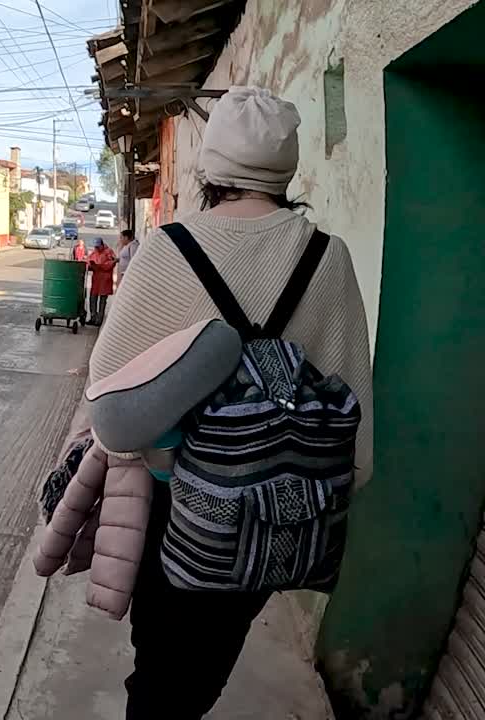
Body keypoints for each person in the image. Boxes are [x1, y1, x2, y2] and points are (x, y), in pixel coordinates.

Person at [86, 86, 373, 719]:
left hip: (180, 513)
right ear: (286, 168)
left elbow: (111, 412)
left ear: (209, 168)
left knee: (159, 672)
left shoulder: (169, 249)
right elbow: (356, 430)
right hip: (278, 519)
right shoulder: (330, 259)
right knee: (201, 671)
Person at [86, 237, 117, 326]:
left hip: (105, 279)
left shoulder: (109, 252)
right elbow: (88, 260)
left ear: (102, 245)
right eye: (96, 247)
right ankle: (93, 317)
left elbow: (113, 262)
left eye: (98, 247)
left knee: (102, 300)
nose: (97, 248)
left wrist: (101, 266)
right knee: (92, 299)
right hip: (96, 279)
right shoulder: (95, 252)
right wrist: (90, 265)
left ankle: (99, 320)